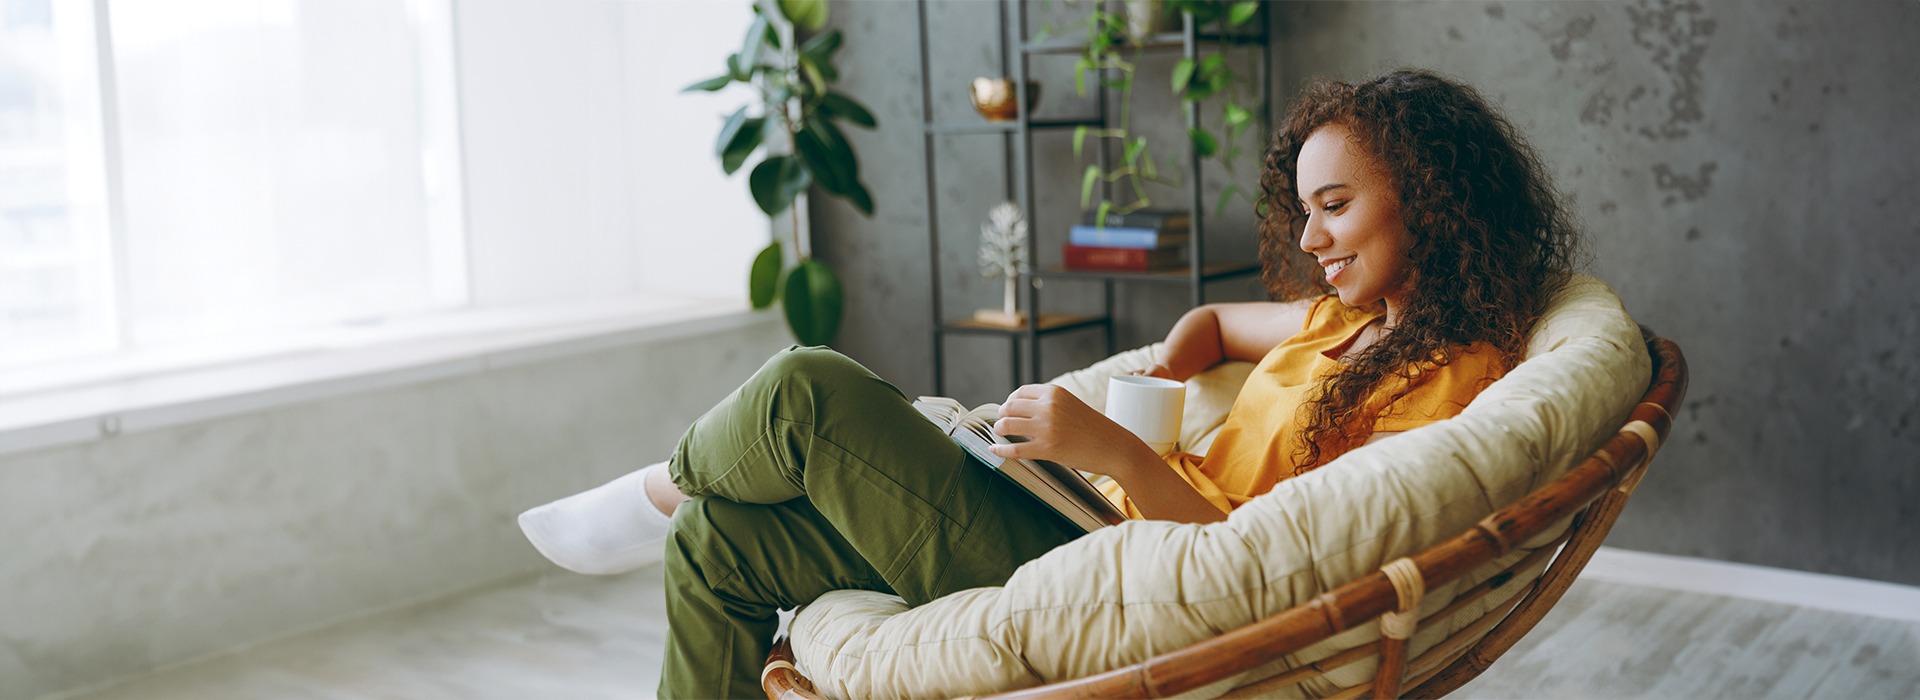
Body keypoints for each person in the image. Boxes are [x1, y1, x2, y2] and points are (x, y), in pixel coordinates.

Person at [516, 68, 1580, 698]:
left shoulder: (1449, 380)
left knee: (808, 388)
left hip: (1130, 582)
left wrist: (1111, 448)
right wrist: (1171, 361)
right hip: (1081, 520)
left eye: (1337, 207)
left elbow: (1259, 563)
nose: (1310, 239)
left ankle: (658, 488)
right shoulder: (1333, 323)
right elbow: (1215, 322)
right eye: (1303, 209)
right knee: (725, 543)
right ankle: (681, 510)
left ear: (1430, 203)